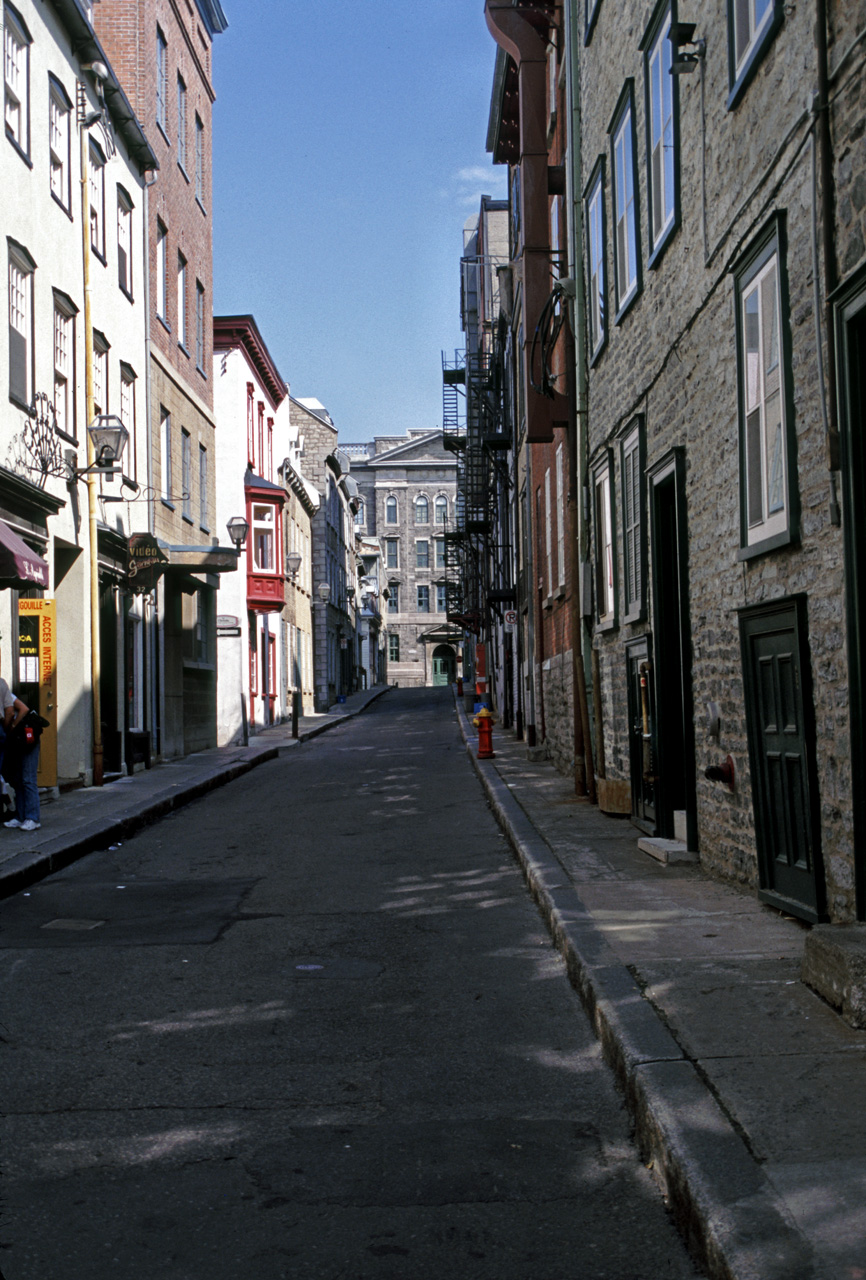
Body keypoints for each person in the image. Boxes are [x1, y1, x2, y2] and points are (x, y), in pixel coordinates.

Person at [3, 686, 41, 832]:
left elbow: (23, 709)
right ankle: (21, 816)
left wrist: (12, 725)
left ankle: (33, 818)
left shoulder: (7, 694)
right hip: (18, 739)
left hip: (26, 737)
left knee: (28, 778)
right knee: (18, 779)